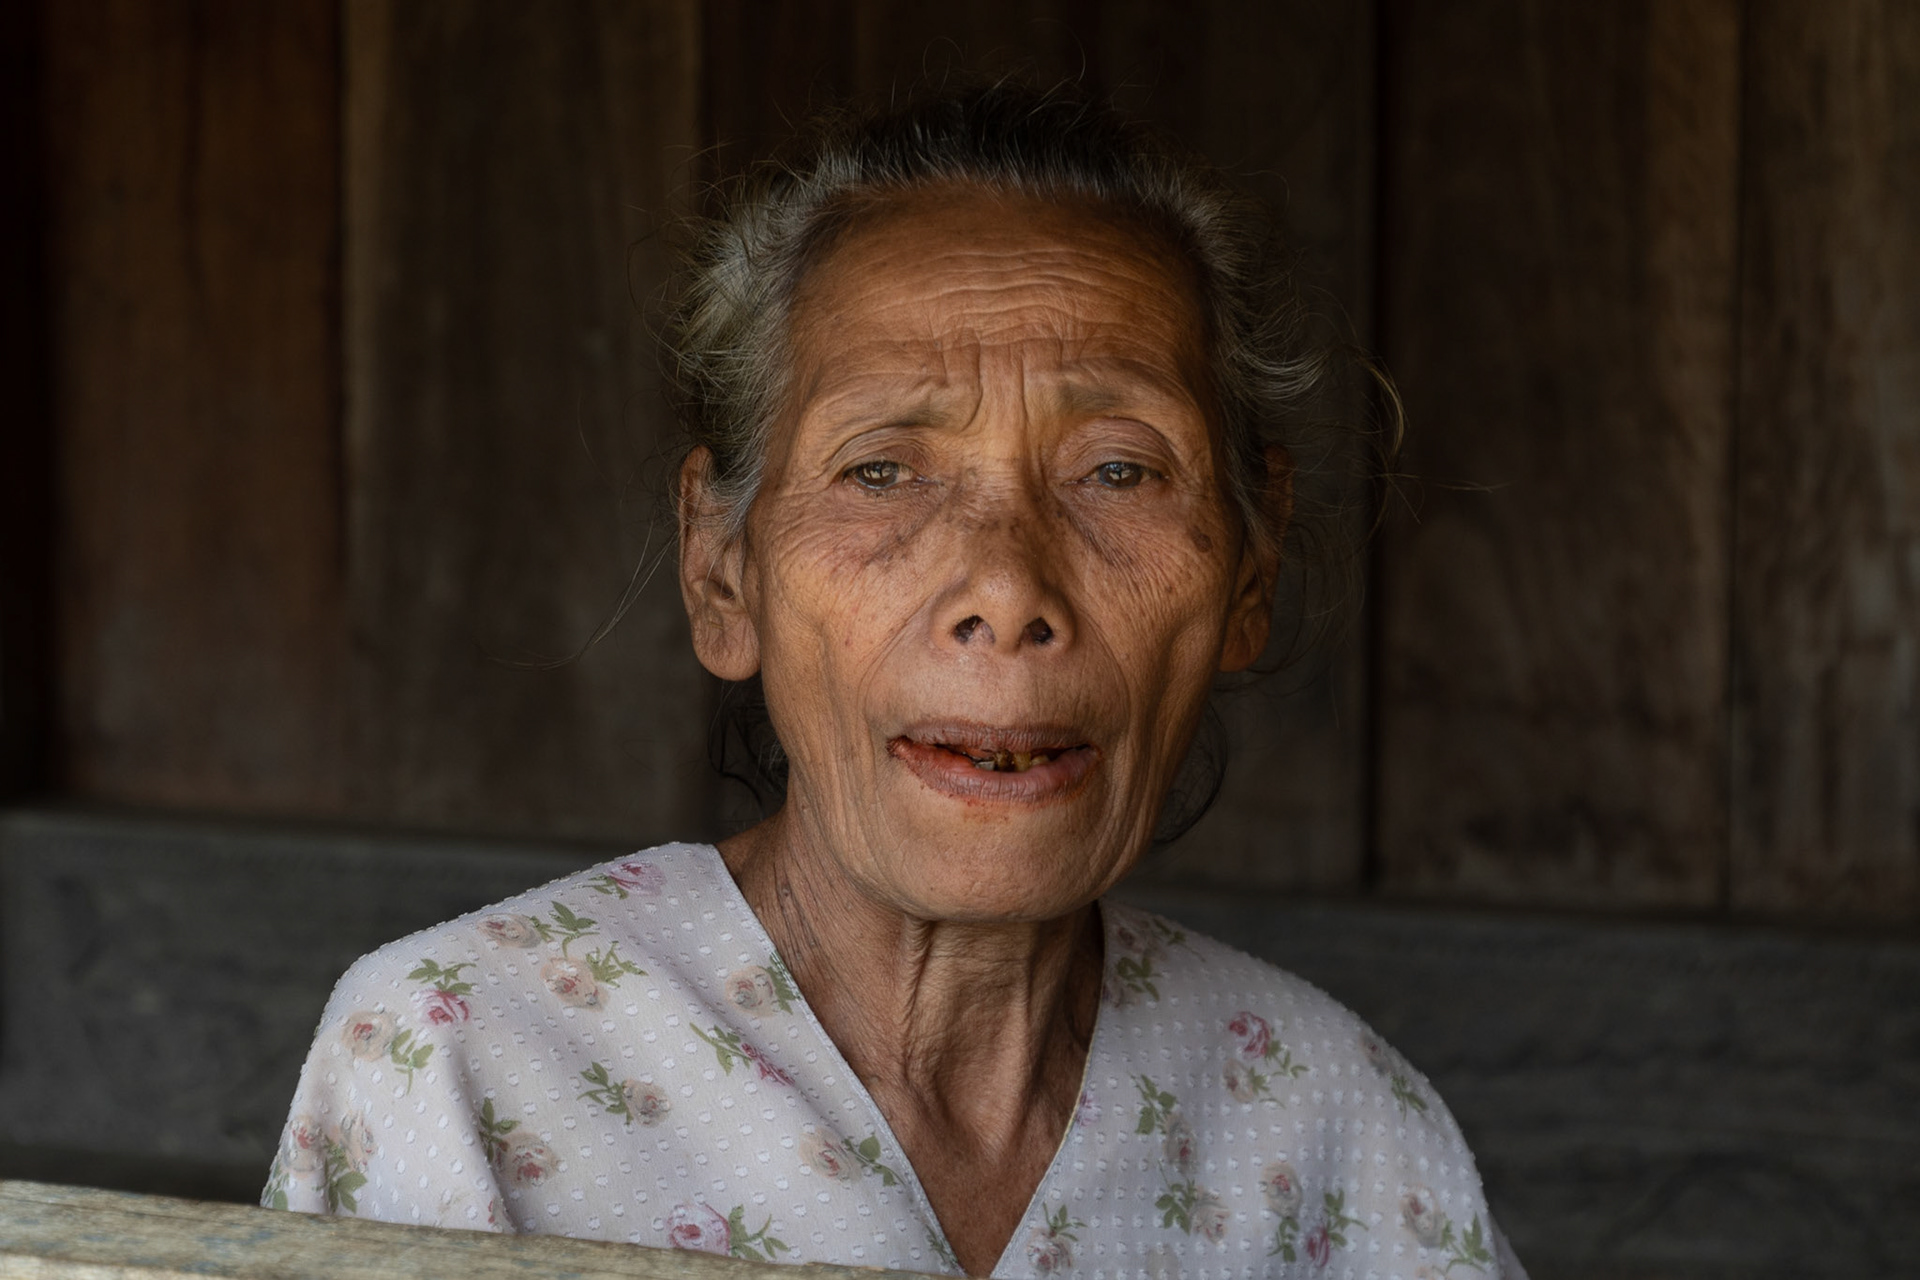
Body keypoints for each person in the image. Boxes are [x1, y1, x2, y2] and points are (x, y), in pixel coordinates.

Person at [266, 82, 1527, 1279]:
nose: (1008, 588)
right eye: (883, 469)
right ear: (723, 572)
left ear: (1249, 569)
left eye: (1120, 470)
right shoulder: (465, 1053)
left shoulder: (1332, 1124)